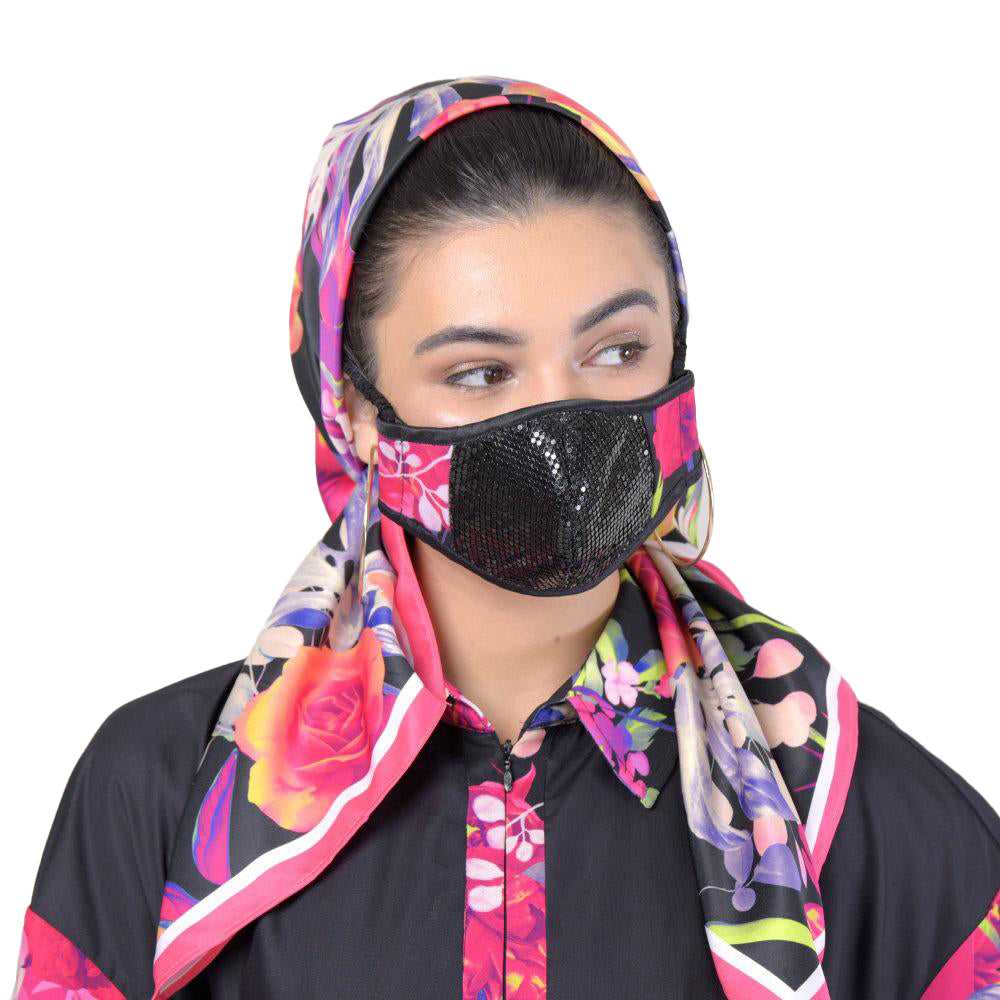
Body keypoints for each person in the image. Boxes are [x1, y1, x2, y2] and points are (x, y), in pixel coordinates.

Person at [11, 75, 1000, 1000]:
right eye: (481, 373)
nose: (563, 423)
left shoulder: (849, 803)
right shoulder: (159, 794)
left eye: (617, 351)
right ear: (355, 411)